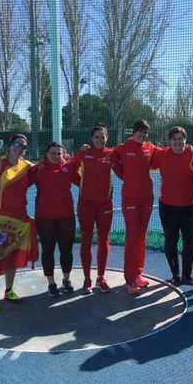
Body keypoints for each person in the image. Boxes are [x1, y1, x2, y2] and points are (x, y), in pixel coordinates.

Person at [0, 134, 39, 312]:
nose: (19, 148)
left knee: (13, 255)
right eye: (16, 144)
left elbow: (45, 169)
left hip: (20, 219)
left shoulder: (28, 166)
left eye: (23, 146)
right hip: (0, 219)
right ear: (9, 146)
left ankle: (8, 290)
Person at [152, 126, 193, 286]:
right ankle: (175, 275)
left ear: (185, 140)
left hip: (189, 208)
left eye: (181, 139)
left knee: (191, 242)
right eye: (174, 139)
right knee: (170, 242)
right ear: (170, 141)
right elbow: (143, 154)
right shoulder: (161, 155)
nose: (177, 142)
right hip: (168, 208)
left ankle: (187, 275)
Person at [112, 119, 159, 295]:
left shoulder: (150, 148)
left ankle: (138, 273)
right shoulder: (123, 148)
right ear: (134, 131)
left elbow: (166, 154)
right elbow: (111, 158)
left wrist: (188, 148)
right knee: (132, 237)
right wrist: (125, 176)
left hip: (147, 198)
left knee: (142, 236)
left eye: (145, 132)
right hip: (130, 199)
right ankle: (130, 279)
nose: (143, 134)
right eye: (140, 131)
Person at [29, 142, 80, 297]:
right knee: (48, 250)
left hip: (66, 217)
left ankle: (66, 280)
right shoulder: (37, 169)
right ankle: (51, 283)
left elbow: (84, 182)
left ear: (64, 154)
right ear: (46, 154)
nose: (56, 156)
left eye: (59, 153)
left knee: (67, 250)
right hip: (45, 218)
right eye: (53, 153)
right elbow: (19, 183)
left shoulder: (69, 167)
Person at [72, 125, 114, 294]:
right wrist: (83, 185)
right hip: (86, 205)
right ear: (91, 138)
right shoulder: (83, 153)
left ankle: (101, 277)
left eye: (102, 137)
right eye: (96, 137)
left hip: (105, 205)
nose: (99, 140)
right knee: (86, 240)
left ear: (107, 138)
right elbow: (70, 168)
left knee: (104, 241)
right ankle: (87, 279)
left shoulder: (112, 154)